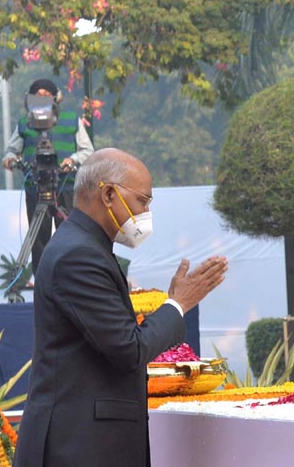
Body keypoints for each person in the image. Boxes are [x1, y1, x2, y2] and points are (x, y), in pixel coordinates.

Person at [13, 148, 228, 467]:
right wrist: (178, 304)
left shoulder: (86, 246)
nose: (146, 213)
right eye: (143, 201)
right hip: (78, 446)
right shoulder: (78, 255)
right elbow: (128, 348)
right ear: (109, 195)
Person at [2, 78, 95, 273]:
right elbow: (11, 150)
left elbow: (88, 150)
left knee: (69, 235)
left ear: (56, 98)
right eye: (38, 95)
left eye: (46, 95)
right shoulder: (24, 123)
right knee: (38, 239)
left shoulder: (71, 119)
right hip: (35, 187)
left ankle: (70, 277)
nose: (42, 98)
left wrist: (72, 160)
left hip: (66, 187)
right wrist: (10, 159)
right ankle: (41, 280)